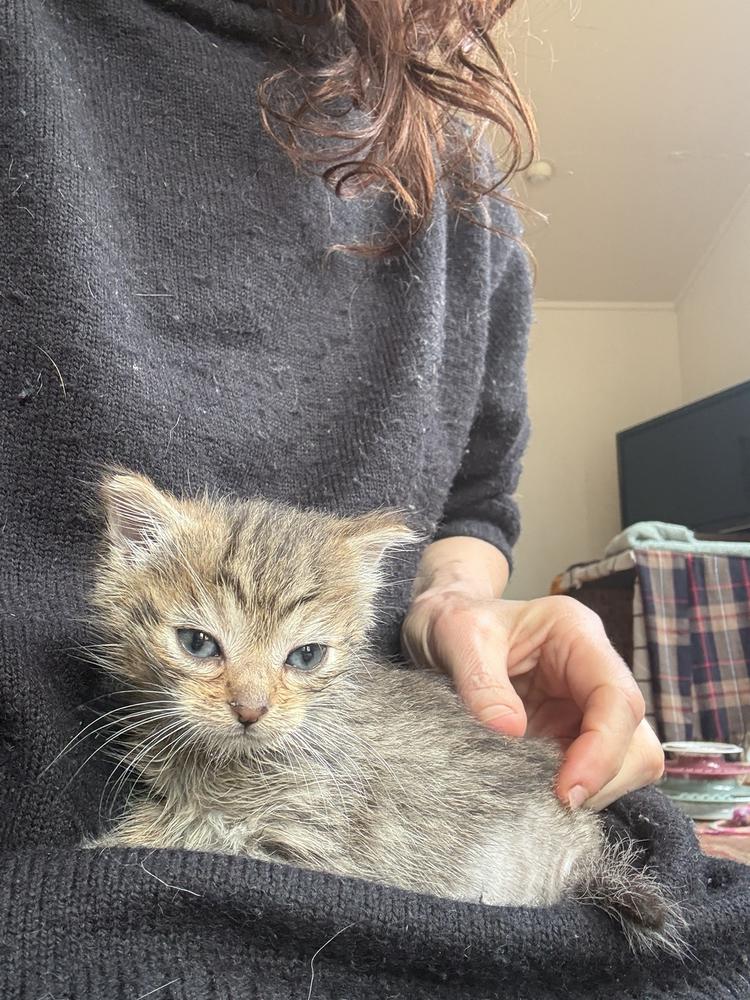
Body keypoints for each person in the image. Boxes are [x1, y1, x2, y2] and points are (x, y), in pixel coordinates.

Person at [2, 3, 748, 999]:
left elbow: (476, 504)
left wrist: (459, 605)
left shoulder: (452, 150)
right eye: (205, 646)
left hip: (428, 814)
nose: (253, 699)